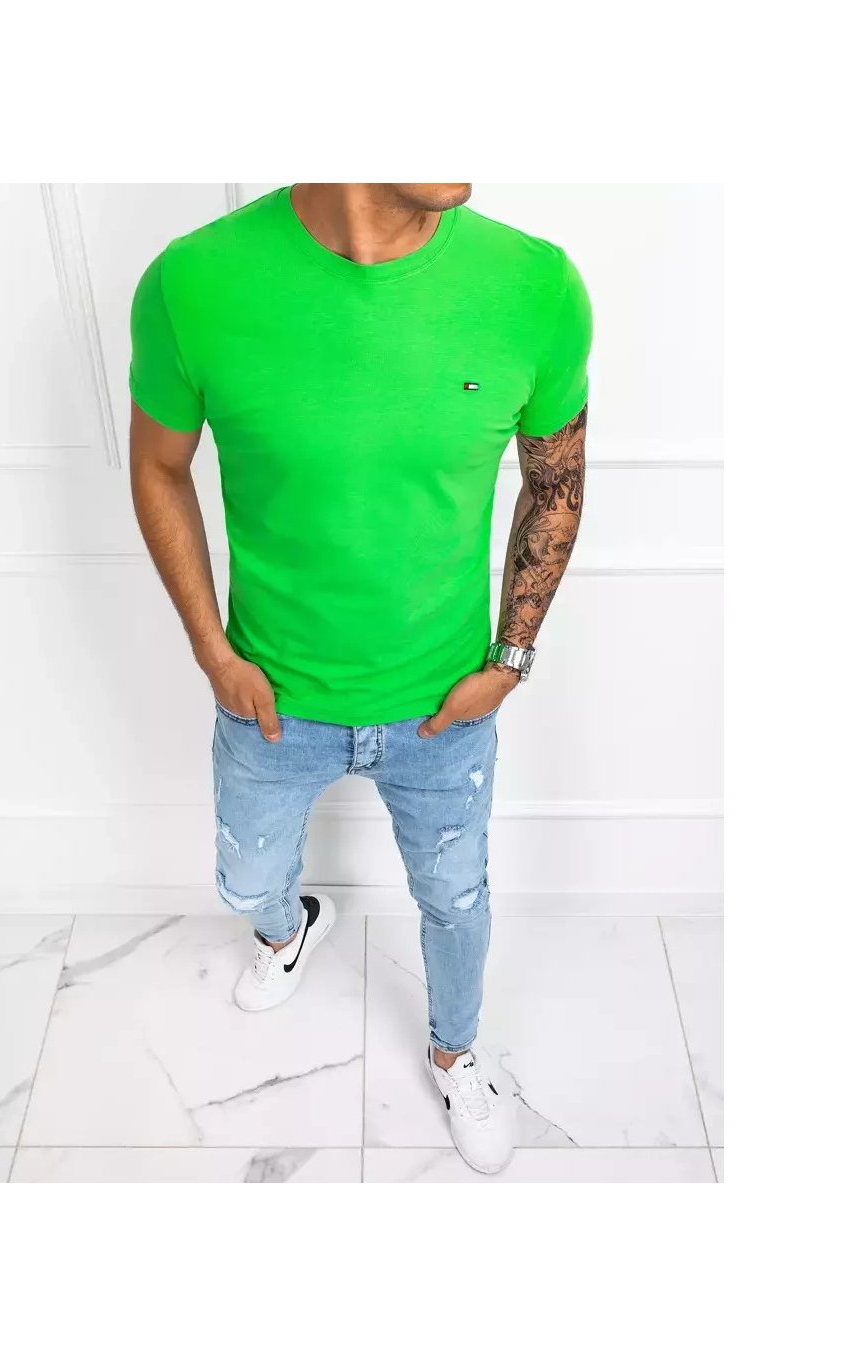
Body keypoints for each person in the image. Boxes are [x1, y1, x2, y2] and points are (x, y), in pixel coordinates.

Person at [129, 183, 591, 1174]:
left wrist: (509, 662)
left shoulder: (535, 285)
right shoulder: (192, 282)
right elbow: (158, 467)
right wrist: (213, 653)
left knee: (456, 898)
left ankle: (456, 1054)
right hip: (270, 704)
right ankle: (288, 928)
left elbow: (555, 480)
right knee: (244, 879)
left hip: (444, 712)